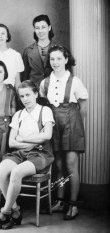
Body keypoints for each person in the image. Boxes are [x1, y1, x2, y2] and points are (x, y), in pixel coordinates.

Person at [0, 80, 54, 230]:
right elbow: (12, 142)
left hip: (40, 154)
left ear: (36, 94)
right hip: (20, 153)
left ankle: (4, 212)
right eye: (22, 96)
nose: (25, 99)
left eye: (28, 95)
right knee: (0, 170)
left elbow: (48, 135)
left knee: (16, 172)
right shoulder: (18, 115)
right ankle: (16, 211)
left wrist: (23, 139)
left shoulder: (45, 111)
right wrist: (33, 141)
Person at [39, 45, 88, 220]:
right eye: (52, 59)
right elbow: (44, 106)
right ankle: (60, 200)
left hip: (72, 123)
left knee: (71, 165)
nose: (56, 62)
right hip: (55, 124)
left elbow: (83, 107)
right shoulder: (45, 83)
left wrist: (74, 123)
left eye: (59, 58)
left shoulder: (75, 81)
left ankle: (73, 205)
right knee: (59, 166)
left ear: (66, 60)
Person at [22, 14, 57, 88]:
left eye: (43, 27)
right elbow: (24, 77)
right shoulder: (27, 51)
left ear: (49, 28)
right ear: (34, 30)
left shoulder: (59, 49)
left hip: (54, 90)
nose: (40, 31)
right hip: (34, 92)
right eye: (37, 28)